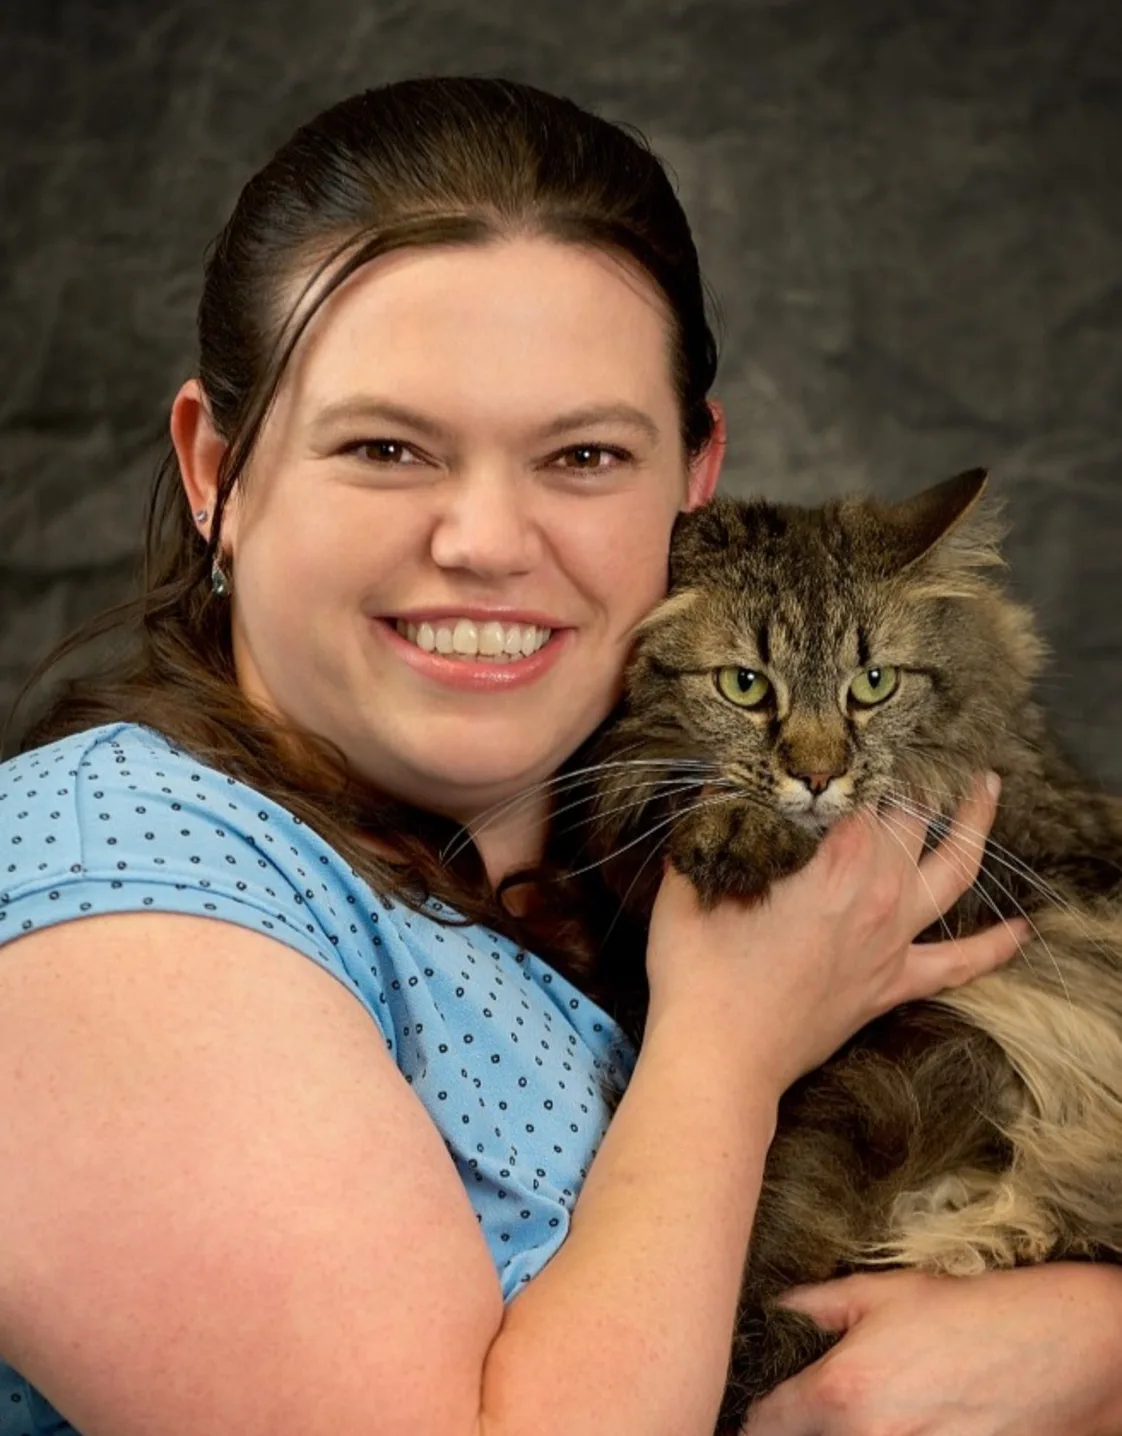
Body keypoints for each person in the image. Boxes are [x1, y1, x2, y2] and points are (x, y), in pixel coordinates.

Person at [0, 76, 1116, 1436]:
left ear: (693, 481)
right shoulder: (113, 888)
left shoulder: (657, 811)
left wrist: (1088, 1339)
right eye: (386, 446)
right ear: (213, 470)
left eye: (581, 453)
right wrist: (723, 1046)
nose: (484, 540)